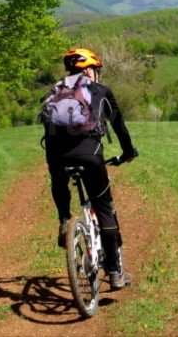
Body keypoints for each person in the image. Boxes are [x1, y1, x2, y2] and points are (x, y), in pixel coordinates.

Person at [43, 48, 138, 289]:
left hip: (56, 155)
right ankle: (116, 273)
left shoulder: (55, 92)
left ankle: (65, 219)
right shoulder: (100, 91)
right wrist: (128, 152)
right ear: (89, 69)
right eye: (96, 70)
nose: (97, 74)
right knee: (103, 206)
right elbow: (119, 126)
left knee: (58, 178)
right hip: (90, 155)